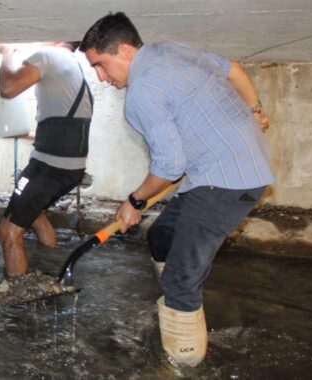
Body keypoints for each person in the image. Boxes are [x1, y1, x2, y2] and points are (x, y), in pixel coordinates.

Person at [80, 12, 274, 366]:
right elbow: (231, 68)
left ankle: (181, 364)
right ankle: (177, 293)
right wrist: (254, 107)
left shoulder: (141, 94)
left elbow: (170, 166)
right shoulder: (170, 50)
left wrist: (134, 201)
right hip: (232, 173)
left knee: (181, 282)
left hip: (225, 184)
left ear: (124, 49)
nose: (102, 78)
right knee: (162, 237)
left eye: (101, 65)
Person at [0, 42, 93, 277]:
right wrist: (27, 135)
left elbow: (8, 88)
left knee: (9, 231)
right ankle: (50, 265)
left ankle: (17, 298)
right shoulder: (71, 68)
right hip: (65, 166)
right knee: (35, 214)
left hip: (50, 167)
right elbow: (64, 124)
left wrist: (7, 53)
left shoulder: (50, 54)